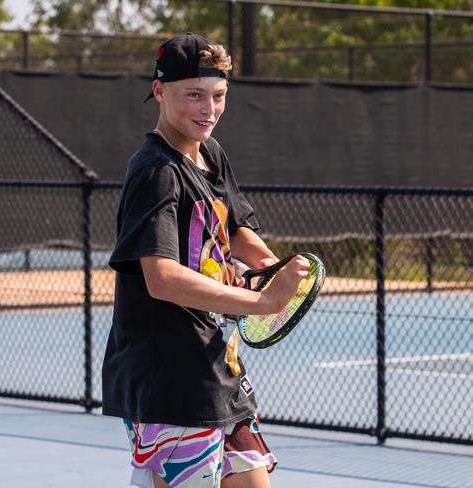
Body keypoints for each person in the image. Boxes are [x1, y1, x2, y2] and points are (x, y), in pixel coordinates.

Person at [102, 33, 309, 488]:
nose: (208, 109)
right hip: (170, 377)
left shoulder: (210, 154)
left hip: (217, 365)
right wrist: (259, 301)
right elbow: (161, 278)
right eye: (193, 95)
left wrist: (275, 266)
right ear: (159, 91)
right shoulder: (156, 170)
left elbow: (233, 228)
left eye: (218, 96)